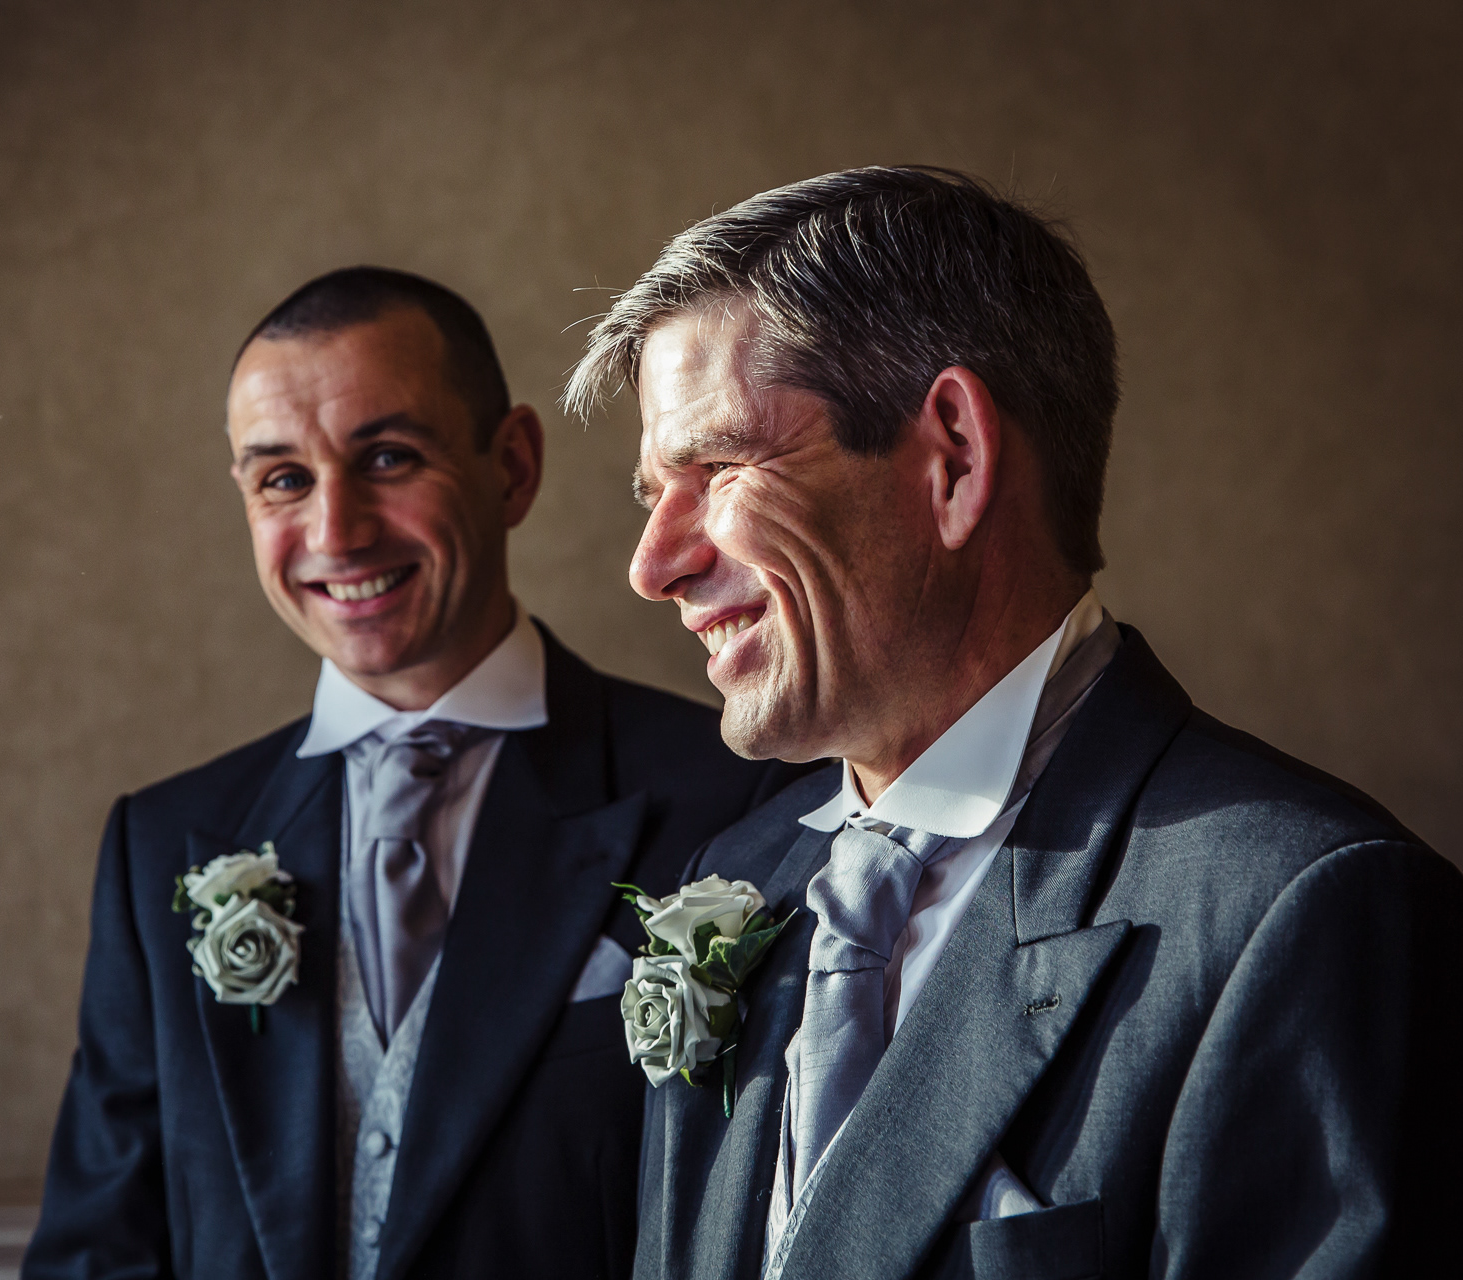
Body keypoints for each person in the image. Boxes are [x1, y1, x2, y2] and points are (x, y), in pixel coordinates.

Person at [564, 168, 1461, 1279]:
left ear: (954, 456)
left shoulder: (1305, 911)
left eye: (718, 468)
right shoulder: (739, 876)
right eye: (653, 494)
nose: (655, 566)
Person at [23, 267, 806, 1280]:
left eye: (387, 457)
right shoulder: (162, 842)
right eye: (282, 479)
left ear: (512, 465)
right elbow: (97, 1253)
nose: (335, 531)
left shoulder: (740, 795)